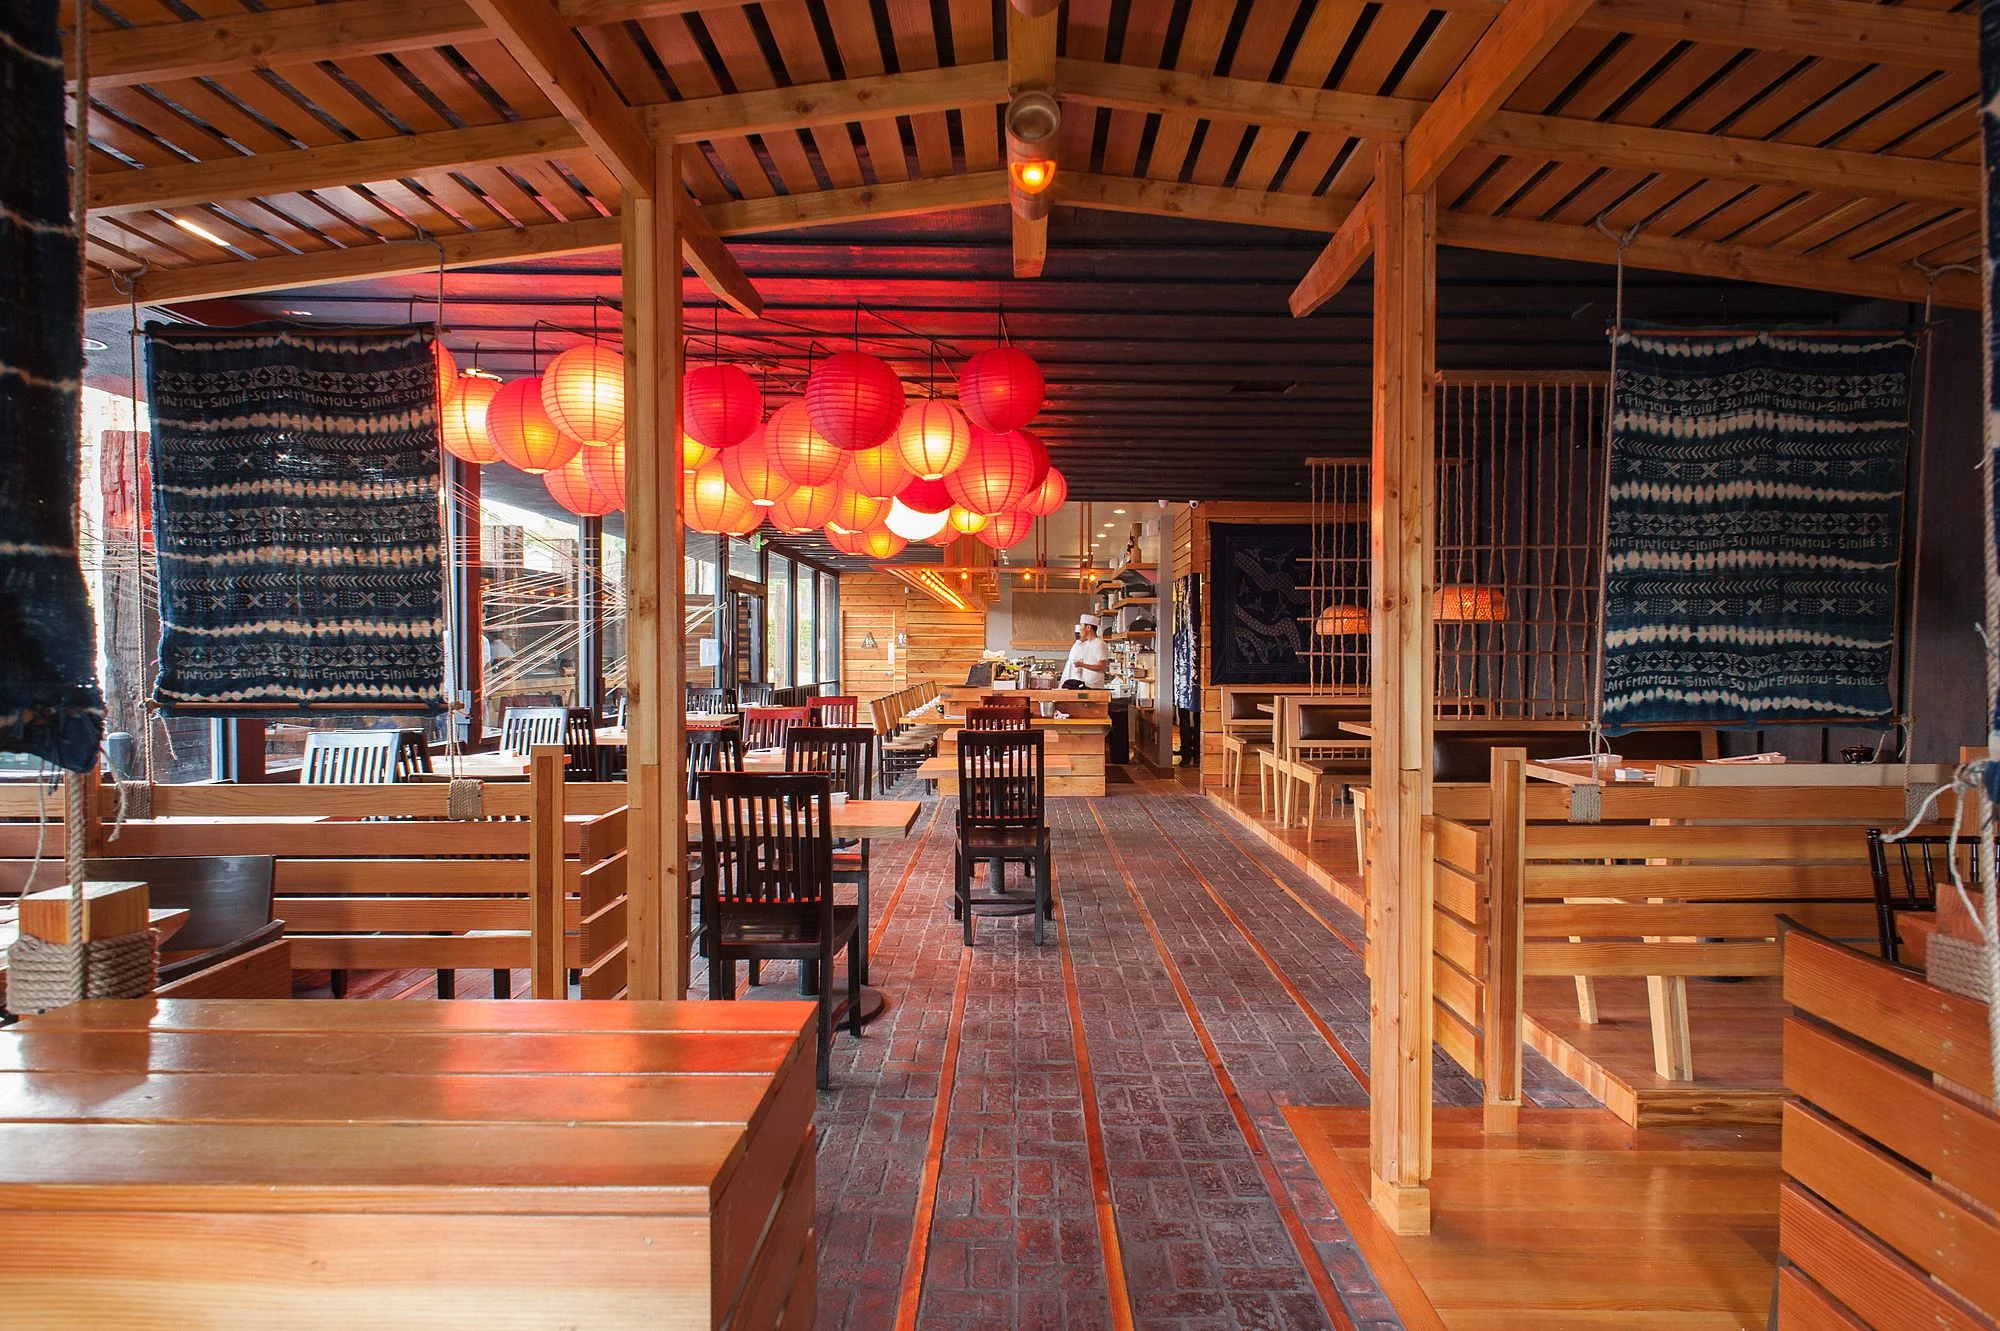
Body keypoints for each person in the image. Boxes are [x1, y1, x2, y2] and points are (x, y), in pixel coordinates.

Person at [1060, 614, 1109, 689]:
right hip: (1085, 685)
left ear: (1088, 627)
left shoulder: (1099, 644)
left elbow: (1102, 667)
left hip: (1095, 687)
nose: (1080, 631)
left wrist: (1082, 665)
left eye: (1081, 627)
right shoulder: (1085, 644)